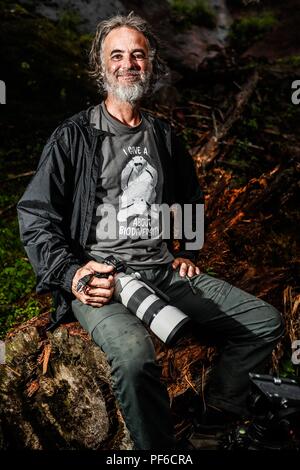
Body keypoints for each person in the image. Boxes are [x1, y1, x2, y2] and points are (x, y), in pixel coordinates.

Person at [17, 12, 284, 450]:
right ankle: (156, 454)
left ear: (151, 64)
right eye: (117, 55)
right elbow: (36, 214)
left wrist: (187, 246)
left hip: (163, 271)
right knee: (135, 357)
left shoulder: (162, 134)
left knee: (264, 321)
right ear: (100, 66)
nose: (128, 64)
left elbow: (188, 195)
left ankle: (213, 423)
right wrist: (73, 276)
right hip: (106, 281)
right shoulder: (75, 137)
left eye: (138, 55)